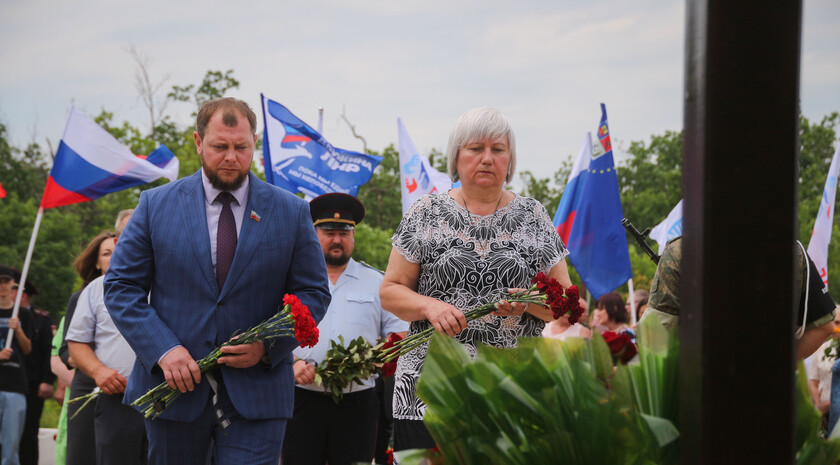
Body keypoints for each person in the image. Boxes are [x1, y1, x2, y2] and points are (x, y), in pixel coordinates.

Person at [104, 97, 331, 465]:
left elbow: (314, 293)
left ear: (253, 144)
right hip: (172, 392)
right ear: (198, 142)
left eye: (241, 147)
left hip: (259, 397)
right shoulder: (154, 205)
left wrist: (267, 345)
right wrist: (163, 350)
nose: (230, 157)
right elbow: (120, 288)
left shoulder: (291, 210)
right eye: (219, 146)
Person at [379, 107, 572, 452]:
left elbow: (566, 303)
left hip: (512, 388)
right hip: (428, 388)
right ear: (456, 157)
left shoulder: (534, 216)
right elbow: (390, 292)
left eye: (498, 150)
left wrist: (529, 303)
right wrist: (430, 306)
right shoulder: (425, 213)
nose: (487, 159)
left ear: (510, 161)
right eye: (475, 149)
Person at [283, 193, 408, 465]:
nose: (337, 239)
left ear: (353, 235)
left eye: (344, 232)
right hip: (300, 399)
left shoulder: (377, 282)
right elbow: (271, 336)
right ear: (313, 232)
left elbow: (399, 336)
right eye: (328, 232)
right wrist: (289, 365)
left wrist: (381, 354)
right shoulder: (291, 280)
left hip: (357, 402)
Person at [642, 237, 837, 359]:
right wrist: (775, 368)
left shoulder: (681, 251)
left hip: (699, 399)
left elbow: (655, 339)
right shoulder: (793, 251)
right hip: (771, 403)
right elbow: (823, 326)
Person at [67, 211, 148, 465]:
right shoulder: (96, 289)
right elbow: (76, 344)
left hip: (169, 403)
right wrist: (99, 371)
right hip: (116, 400)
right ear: (117, 242)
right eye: (128, 234)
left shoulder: (177, 284)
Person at [62, 230, 117, 465]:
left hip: (123, 388)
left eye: (119, 252)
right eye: (106, 253)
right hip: (88, 387)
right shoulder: (83, 296)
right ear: (96, 262)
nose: (113, 257)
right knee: (83, 456)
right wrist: (86, 358)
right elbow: (66, 351)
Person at [12, 273, 55, 465]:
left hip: (31, 383)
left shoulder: (42, 320)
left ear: (22, 293)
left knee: (28, 433)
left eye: (9, 287)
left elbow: (49, 351)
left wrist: (47, 380)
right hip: (7, 383)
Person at [0, 265, 33, 465]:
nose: (2, 286)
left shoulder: (23, 314)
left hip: (15, 386)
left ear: (13, 284)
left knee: (11, 446)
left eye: (6, 281)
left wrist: (18, 330)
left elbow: (28, 349)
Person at [808, 311, 840, 435]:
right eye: (835, 322)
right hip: (824, 412)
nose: (836, 326)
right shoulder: (821, 349)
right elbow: (813, 381)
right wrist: (820, 407)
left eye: (839, 323)